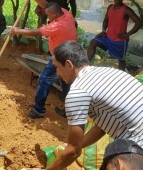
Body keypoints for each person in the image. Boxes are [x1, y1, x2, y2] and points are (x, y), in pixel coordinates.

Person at [27, 40, 143, 170]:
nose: (58, 74)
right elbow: (103, 126)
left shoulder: (78, 91)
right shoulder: (110, 73)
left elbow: (73, 152)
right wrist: (78, 144)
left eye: (57, 67)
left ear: (69, 64)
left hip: (137, 148)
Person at [9, 0, 77, 119]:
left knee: (44, 78)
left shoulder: (57, 25)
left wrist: (17, 30)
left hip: (62, 57)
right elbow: (47, 5)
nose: (47, 17)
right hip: (71, 53)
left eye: (49, 15)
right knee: (67, 82)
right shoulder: (66, 14)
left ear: (55, 14)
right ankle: (70, 112)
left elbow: (37, 32)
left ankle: (39, 109)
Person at [87, 0, 142, 71]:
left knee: (121, 60)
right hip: (108, 38)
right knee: (93, 42)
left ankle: (121, 78)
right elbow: (106, 20)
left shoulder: (127, 10)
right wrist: (103, 31)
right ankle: (86, 65)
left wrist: (127, 35)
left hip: (120, 41)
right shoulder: (110, 7)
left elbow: (138, 23)